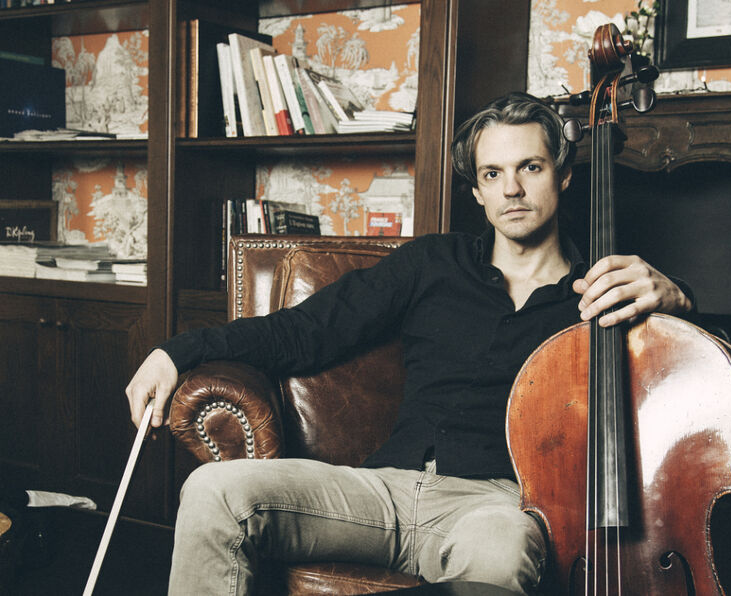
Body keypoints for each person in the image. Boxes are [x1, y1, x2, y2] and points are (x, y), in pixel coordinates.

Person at [125, 92, 694, 595]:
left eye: (530, 167)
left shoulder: (606, 294)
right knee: (214, 491)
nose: (512, 189)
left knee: (501, 552)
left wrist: (680, 300)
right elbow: (302, 331)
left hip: (494, 505)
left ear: (563, 176)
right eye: (492, 173)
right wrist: (175, 352)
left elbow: (697, 388)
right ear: (477, 191)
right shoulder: (431, 263)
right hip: (382, 490)